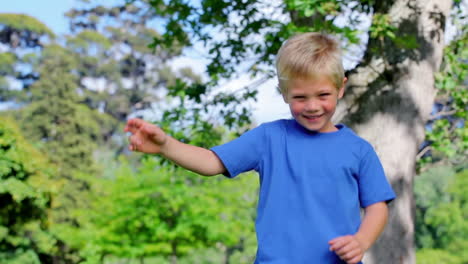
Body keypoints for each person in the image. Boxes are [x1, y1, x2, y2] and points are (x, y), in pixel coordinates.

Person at [124, 32, 396, 264]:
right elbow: (210, 162)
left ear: (340, 88)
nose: (312, 106)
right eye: (300, 97)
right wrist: (166, 145)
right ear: (283, 92)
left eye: (323, 95)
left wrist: (361, 241)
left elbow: (377, 206)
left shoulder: (358, 150)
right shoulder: (269, 138)